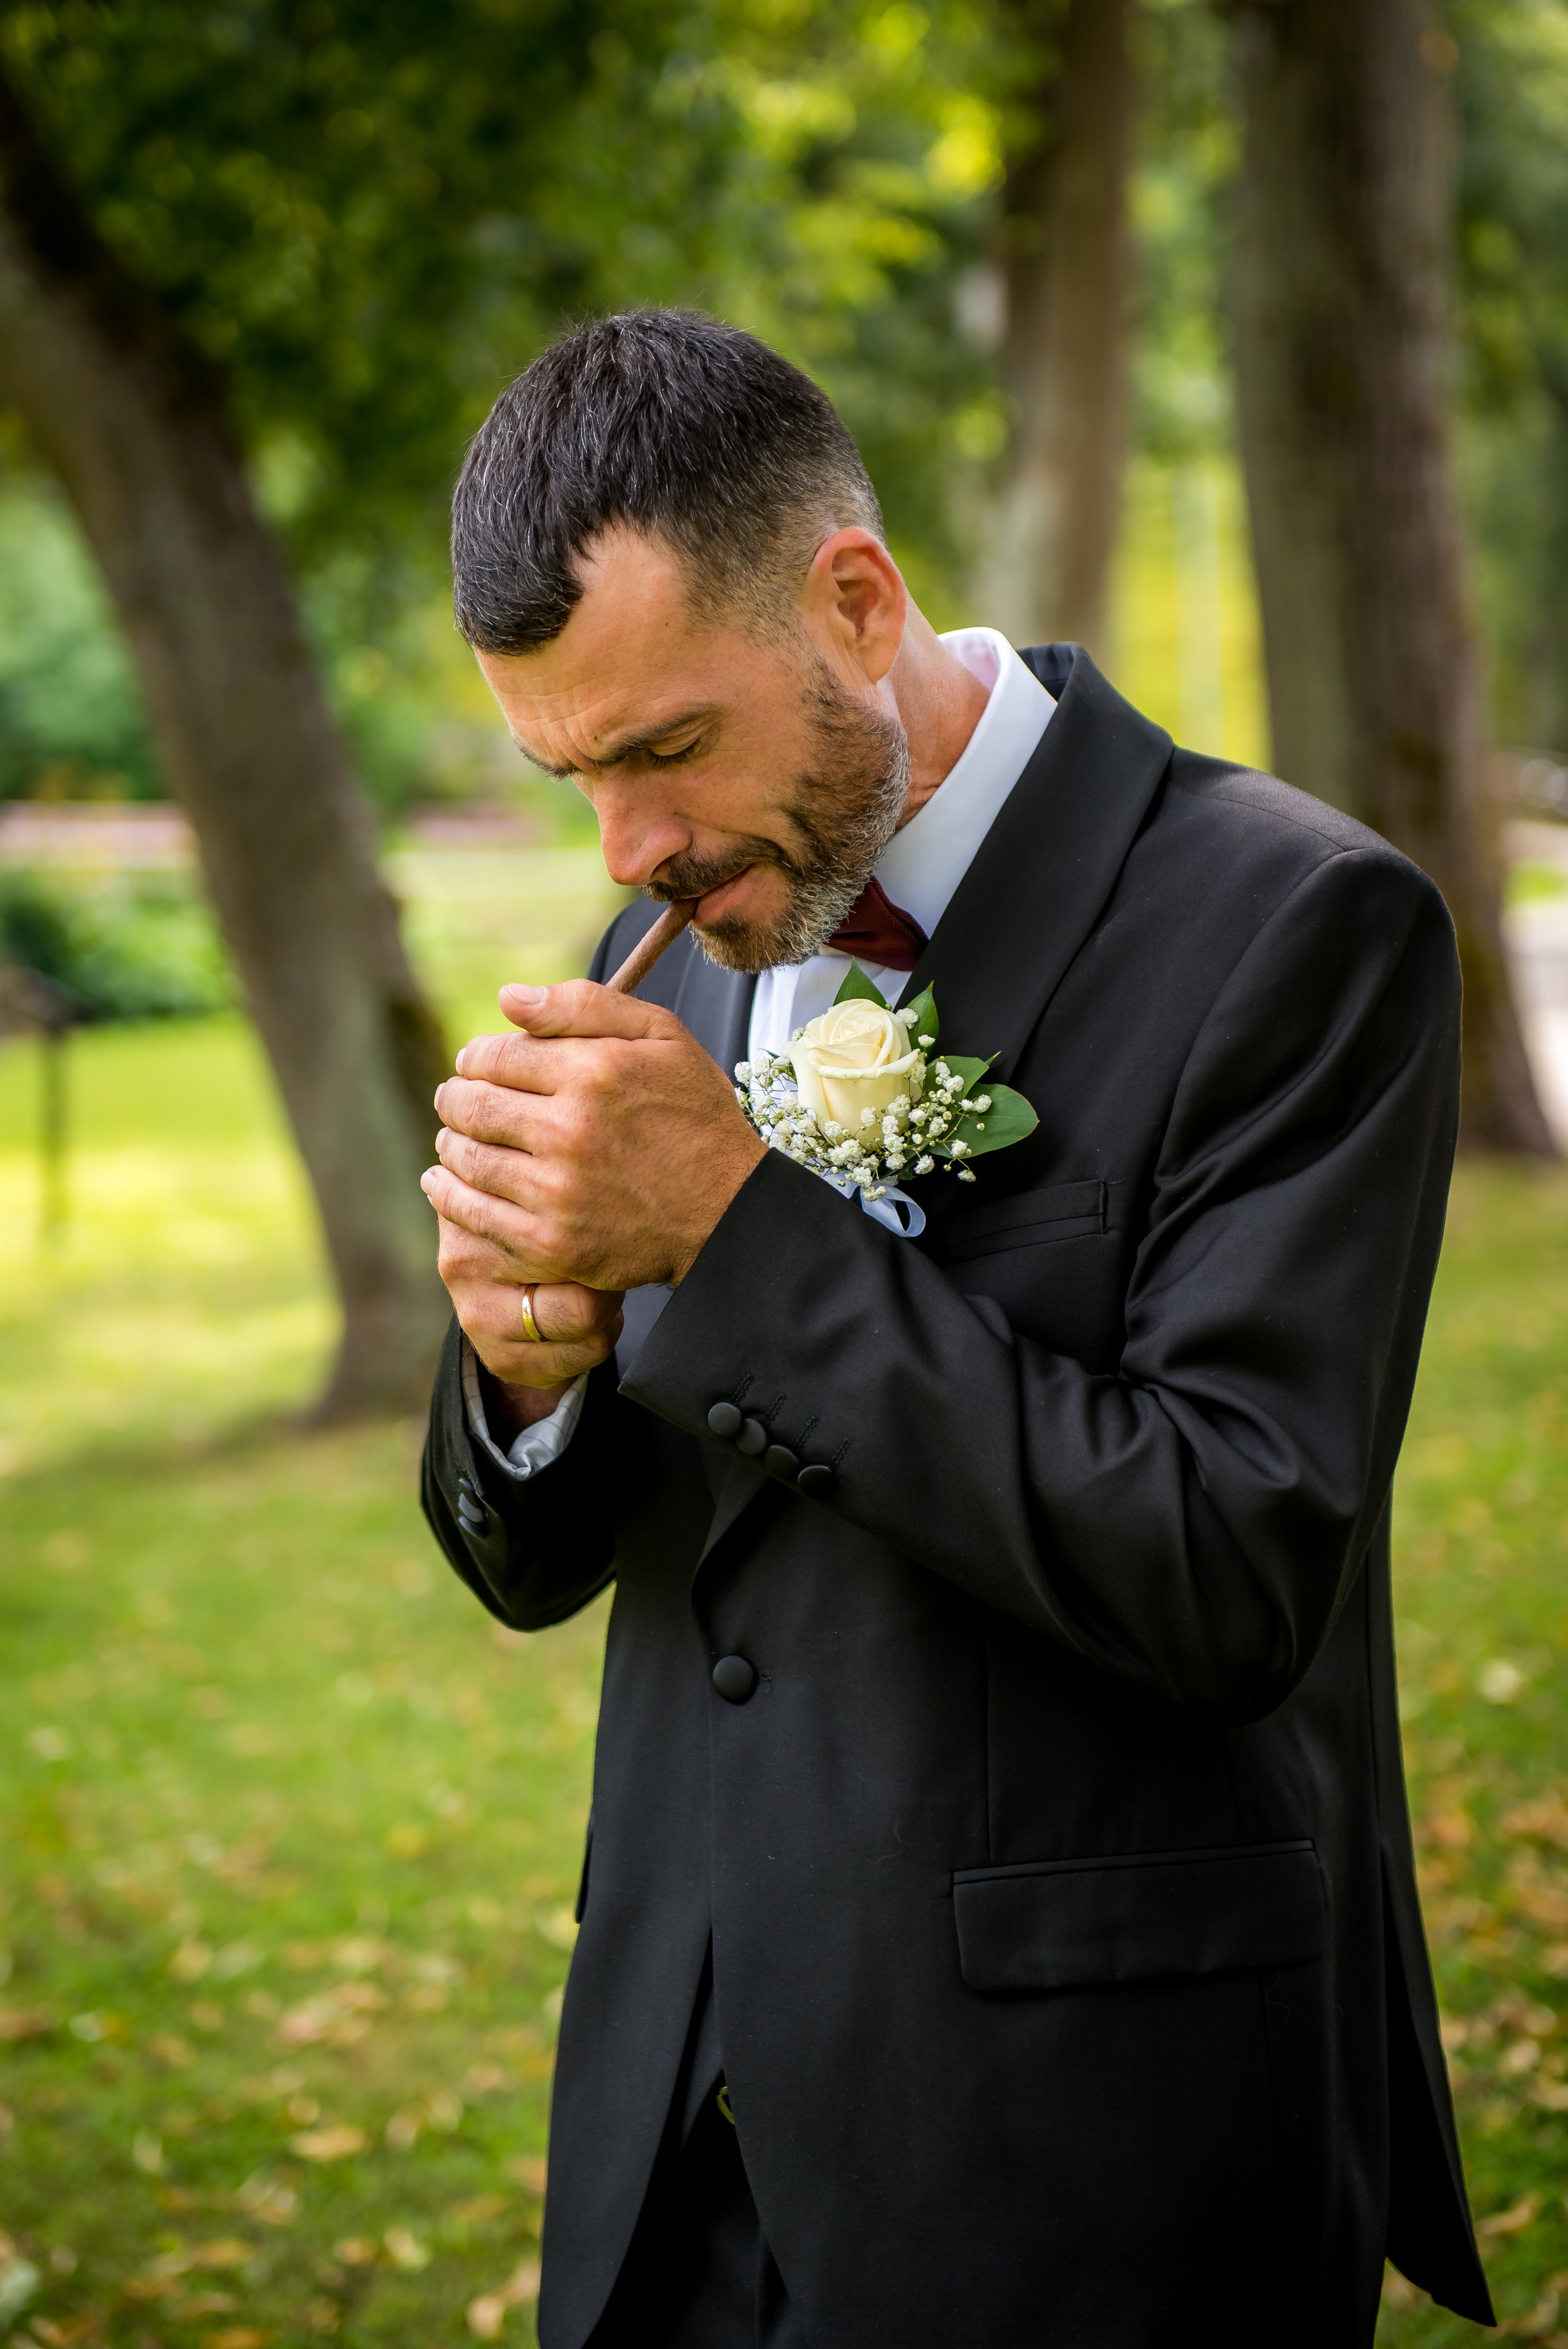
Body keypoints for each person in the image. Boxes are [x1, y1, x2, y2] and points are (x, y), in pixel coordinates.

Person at [419, 309, 1493, 2348]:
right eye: (568, 772)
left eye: (660, 747)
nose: (625, 849)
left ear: (853, 598)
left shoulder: (1302, 932)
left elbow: (1232, 1564)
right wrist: (523, 1380)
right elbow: (546, 1556)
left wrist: (733, 1237)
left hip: (1089, 2158)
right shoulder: (683, 928)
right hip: (679, 2156)